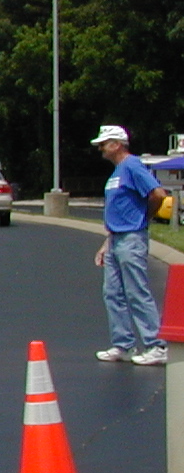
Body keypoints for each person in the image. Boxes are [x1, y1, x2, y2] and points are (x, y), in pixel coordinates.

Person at [92, 125, 168, 365]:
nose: (101, 148)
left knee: (136, 291)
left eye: (104, 144)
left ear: (117, 144)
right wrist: (107, 243)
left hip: (131, 238)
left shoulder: (132, 165)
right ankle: (123, 344)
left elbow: (157, 194)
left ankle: (157, 344)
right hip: (116, 238)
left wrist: (143, 218)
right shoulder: (117, 172)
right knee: (112, 293)